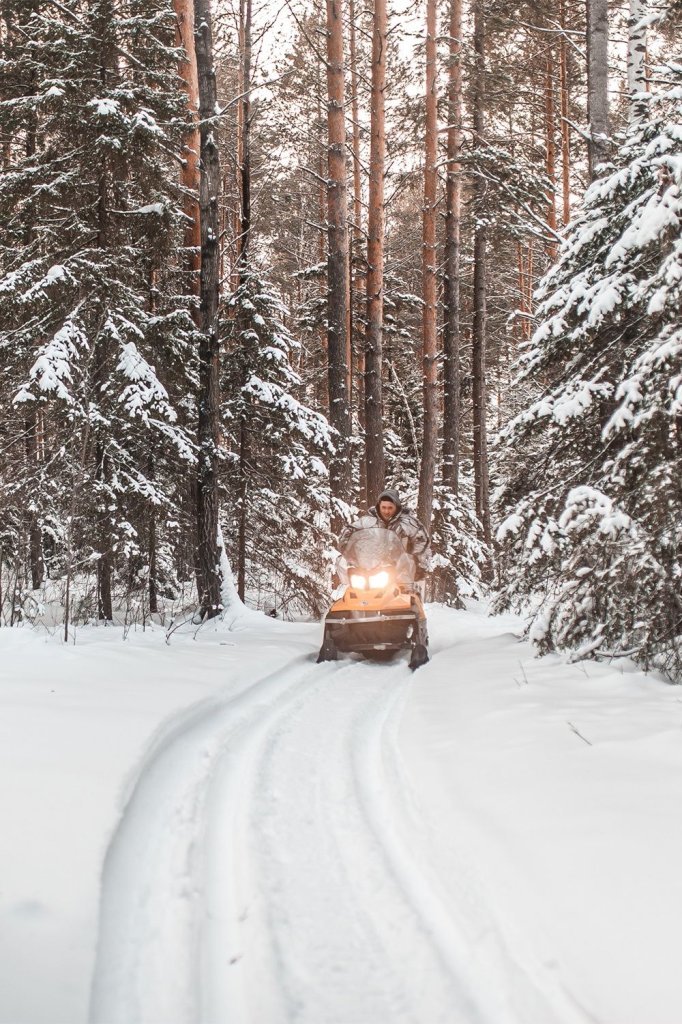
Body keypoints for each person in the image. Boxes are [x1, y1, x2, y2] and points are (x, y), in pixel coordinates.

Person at [338, 488, 431, 580]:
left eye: (390, 508)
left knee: (407, 593)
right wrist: (347, 549)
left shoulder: (408, 523)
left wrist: (418, 564)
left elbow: (422, 542)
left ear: (397, 506)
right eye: (384, 507)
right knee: (352, 592)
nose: (386, 511)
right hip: (371, 569)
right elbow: (349, 531)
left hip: (401, 571)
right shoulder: (367, 522)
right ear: (379, 506)